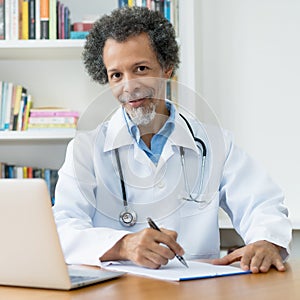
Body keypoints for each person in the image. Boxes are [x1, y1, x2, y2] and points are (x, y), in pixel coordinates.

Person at [53, 6, 292, 273]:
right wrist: (123, 245)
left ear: (166, 68)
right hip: (118, 288)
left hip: (197, 286)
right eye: (116, 75)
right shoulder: (86, 149)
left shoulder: (213, 143)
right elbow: (62, 226)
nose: (129, 86)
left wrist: (266, 241)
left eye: (140, 69)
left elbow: (261, 202)